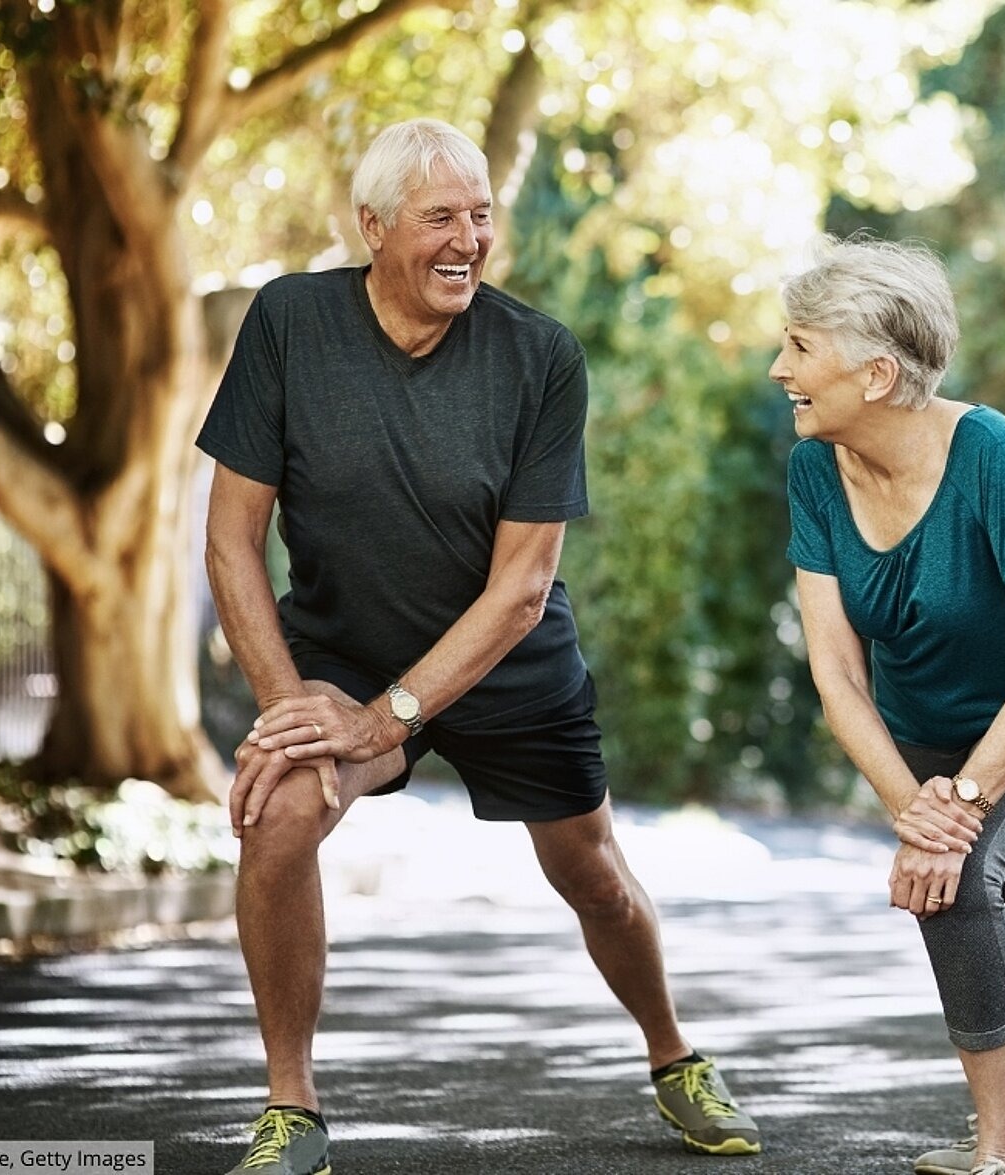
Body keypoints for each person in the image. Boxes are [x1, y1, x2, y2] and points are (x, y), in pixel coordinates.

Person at [198, 118, 759, 1175]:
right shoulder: (290, 322)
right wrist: (290, 713)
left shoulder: (538, 356)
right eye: (440, 217)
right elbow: (231, 536)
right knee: (277, 815)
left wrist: (388, 718)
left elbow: (521, 587)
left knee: (593, 873)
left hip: (508, 660)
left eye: (480, 214)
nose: (468, 238)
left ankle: (673, 1050)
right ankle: (292, 1106)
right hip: (346, 651)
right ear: (371, 228)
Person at [775, 237, 1005, 1175]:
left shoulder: (989, 454)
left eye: (800, 347)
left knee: (959, 875)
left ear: (878, 371)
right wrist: (911, 802)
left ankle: (1004, 1155)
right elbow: (838, 675)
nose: (781, 369)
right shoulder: (816, 469)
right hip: (929, 731)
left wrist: (955, 812)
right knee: (994, 879)